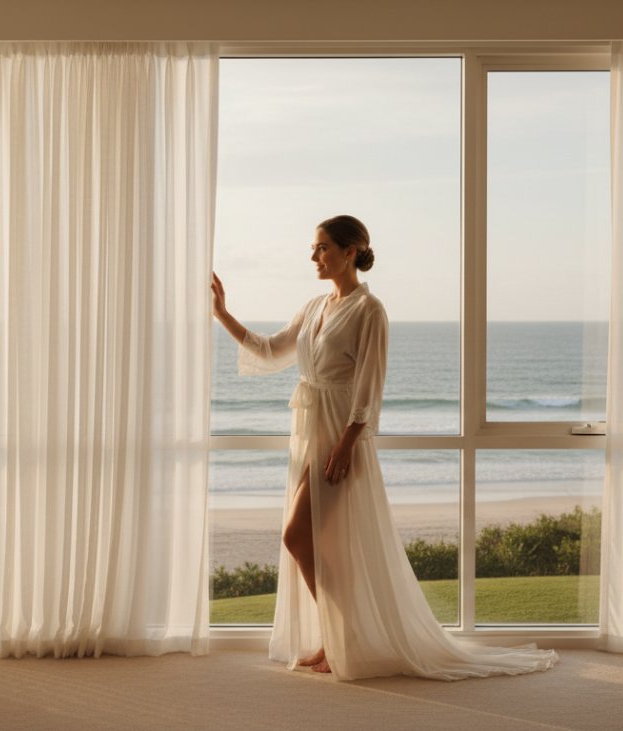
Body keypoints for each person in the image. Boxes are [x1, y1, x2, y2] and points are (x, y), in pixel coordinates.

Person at [211, 215, 558, 681]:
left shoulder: (369, 311)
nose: (314, 256)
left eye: (322, 248)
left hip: (338, 435)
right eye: (314, 249)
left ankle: (345, 640)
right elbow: (271, 349)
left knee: (297, 536)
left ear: (350, 251)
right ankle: (340, 638)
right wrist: (223, 314)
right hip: (311, 430)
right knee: (316, 542)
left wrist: (347, 443)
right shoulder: (315, 306)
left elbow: (370, 386)